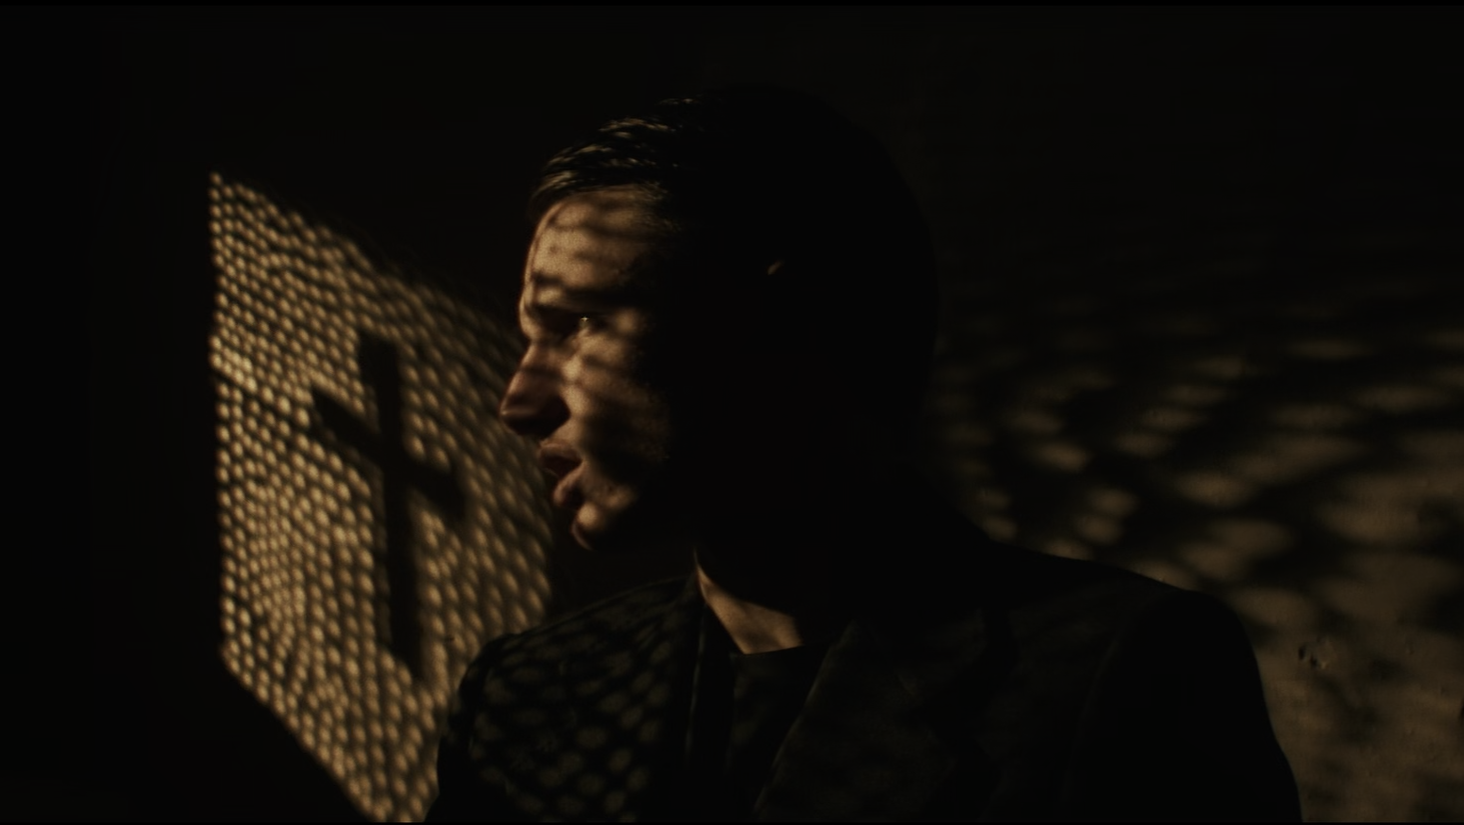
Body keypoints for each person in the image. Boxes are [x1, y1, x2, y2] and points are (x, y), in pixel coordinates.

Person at [426, 86, 1300, 821]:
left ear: (786, 326)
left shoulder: (1119, 671)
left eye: (578, 324)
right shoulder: (526, 695)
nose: (518, 402)